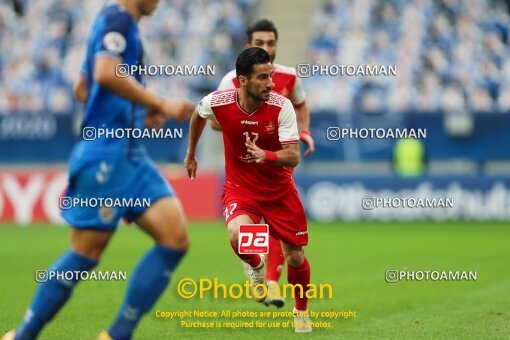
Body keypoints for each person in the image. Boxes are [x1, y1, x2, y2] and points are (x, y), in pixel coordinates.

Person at [3, 1, 194, 339]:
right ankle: (23, 336)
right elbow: (105, 73)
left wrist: (136, 109)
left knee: (174, 239)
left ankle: (117, 334)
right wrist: (159, 103)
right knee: (87, 251)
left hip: (131, 154)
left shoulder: (114, 22)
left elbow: (82, 87)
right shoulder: (118, 19)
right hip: (108, 153)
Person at [184, 47, 312, 333]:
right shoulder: (220, 101)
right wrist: (191, 153)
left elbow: (293, 156)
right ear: (242, 80)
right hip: (241, 189)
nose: (270, 83)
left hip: (279, 192)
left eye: (271, 76)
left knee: (295, 257)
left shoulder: (281, 106)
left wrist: (265, 155)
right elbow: (196, 113)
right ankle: (256, 267)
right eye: (262, 78)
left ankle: (301, 311)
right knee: (237, 233)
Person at [211, 19, 315, 308]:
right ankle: (261, 273)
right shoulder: (230, 82)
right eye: (260, 43)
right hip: (245, 168)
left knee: (280, 232)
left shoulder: (290, 78)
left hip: (277, 165)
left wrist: (303, 131)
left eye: (271, 43)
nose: (266, 48)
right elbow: (214, 122)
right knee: (251, 231)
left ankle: (272, 283)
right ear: (249, 46)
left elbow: (301, 105)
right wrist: (248, 124)